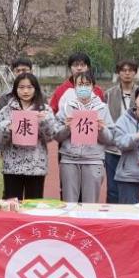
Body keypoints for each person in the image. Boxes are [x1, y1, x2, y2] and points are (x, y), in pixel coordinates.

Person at [0, 72, 60, 199]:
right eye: (21, 87)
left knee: (33, 204)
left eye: (29, 87)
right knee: (12, 203)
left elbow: (51, 136)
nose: (25, 91)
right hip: (12, 166)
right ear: (15, 89)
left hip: (36, 166)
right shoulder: (7, 110)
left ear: (36, 89)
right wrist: (7, 127)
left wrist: (43, 122)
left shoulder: (44, 110)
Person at [55, 70, 114, 203]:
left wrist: (101, 129)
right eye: (80, 84)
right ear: (74, 87)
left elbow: (110, 138)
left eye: (87, 84)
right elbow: (56, 136)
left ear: (93, 86)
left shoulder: (102, 108)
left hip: (93, 160)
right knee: (69, 203)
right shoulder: (66, 107)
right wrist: (66, 128)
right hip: (69, 160)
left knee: (90, 204)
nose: (83, 88)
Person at [103, 59, 139, 204]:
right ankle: (112, 215)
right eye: (124, 70)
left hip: (133, 148)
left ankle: (130, 215)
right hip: (112, 148)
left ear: (135, 73)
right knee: (112, 189)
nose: (127, 73)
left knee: (131, 188)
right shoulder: (109, 94)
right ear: (118, 73)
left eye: (130, 70)